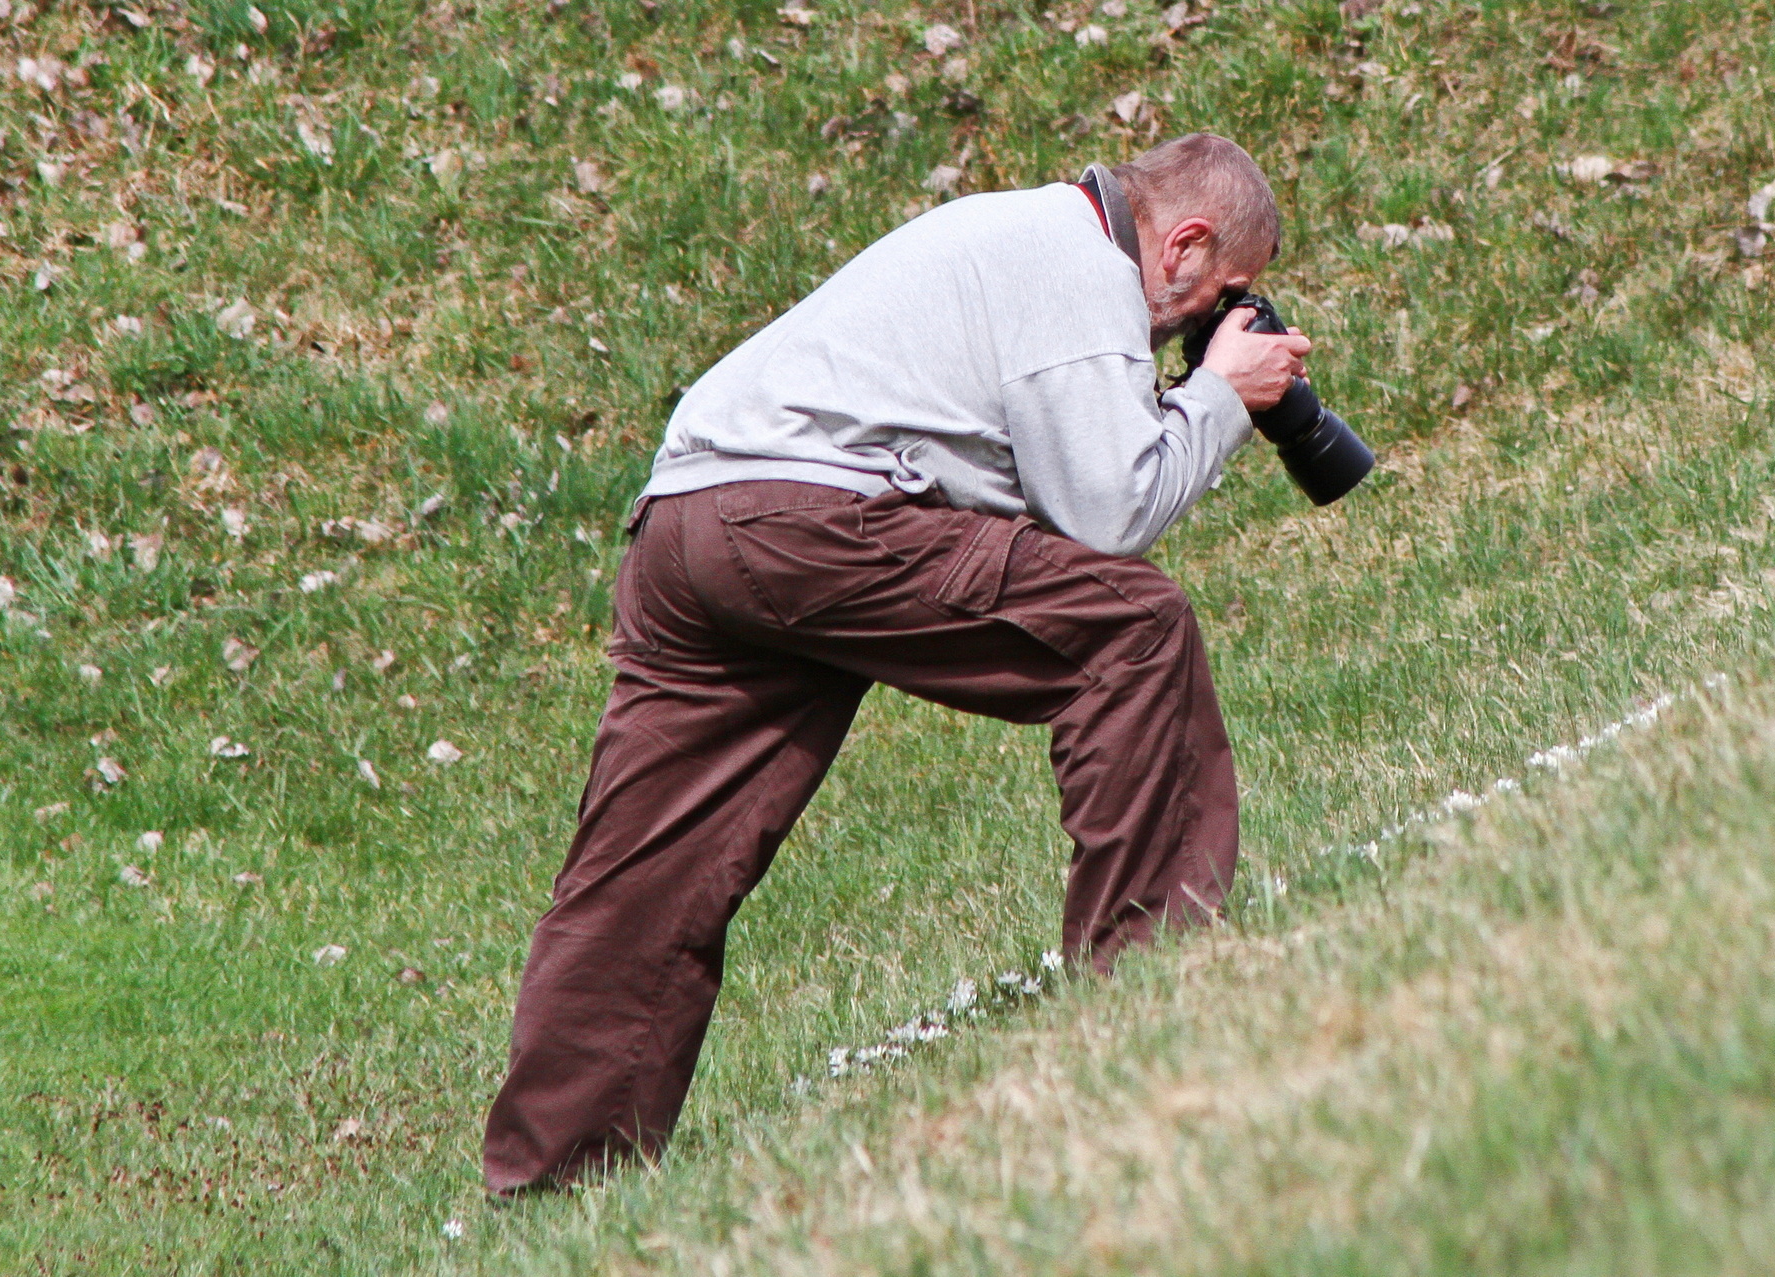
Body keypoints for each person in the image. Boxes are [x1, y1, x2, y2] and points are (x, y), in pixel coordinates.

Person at [480, 133, 1312, 1195]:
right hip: (803, 520)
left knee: (647, 870)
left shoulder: (1016, 234)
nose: (1206, 326)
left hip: (685, 524)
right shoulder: (1080, 267)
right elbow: (1106, 516)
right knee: (1132, 628)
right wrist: (1218, 398)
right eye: (1222, 297)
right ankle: (1152, 993)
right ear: (1184, 245)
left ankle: (551, 1185)